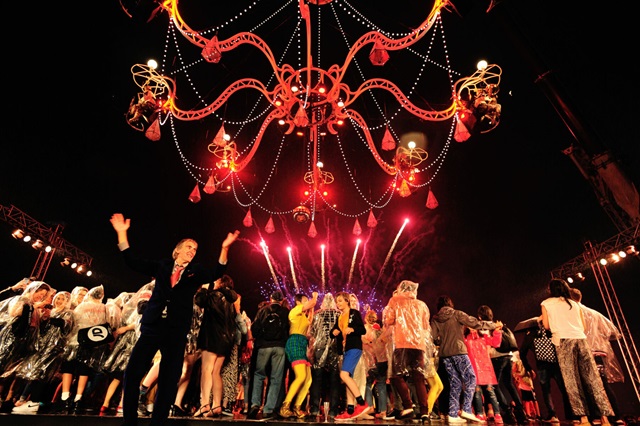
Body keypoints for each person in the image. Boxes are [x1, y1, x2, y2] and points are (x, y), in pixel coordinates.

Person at [109, 212, 240, 426]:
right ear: (177, 250)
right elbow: (133, 261)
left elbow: (217, 271)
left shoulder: (195, 271)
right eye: (189, 247)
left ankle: (158, 422)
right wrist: (122, 234)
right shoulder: (162, 266)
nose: (192, 251)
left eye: (195, 249)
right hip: (152, 326)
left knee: (170, 378)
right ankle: (129, 420)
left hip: (175, 330)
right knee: (132, 372)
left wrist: (225, 248)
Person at [541, 278, 613, 426]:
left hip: (563, 341)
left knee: (571, 380)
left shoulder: (546, 303)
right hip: (581, 340)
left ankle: (584, 419)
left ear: (551, 290)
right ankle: (605, 418)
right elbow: (583, 326)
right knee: (593, 379)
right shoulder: (574, 304)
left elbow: (546, 326)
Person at [431, 295, 500, 424]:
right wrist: (492, 325)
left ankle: (452, 414)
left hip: (445, 355)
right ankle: (467, 409)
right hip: (459, 352)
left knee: (455, 383)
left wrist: (443, 341)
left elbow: (433, 338)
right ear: (450, 304)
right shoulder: (457, 314)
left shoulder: (435, 319)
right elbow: (475, 323)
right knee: (471, 378)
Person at [383, 280, 443, 422]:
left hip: (402, 344)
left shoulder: (395, 301)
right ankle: (424, 412)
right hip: (418, 346)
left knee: (396, 375)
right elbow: (425, 326)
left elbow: (389, 320)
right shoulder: (421, 304)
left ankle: (408, 405)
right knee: (419, 378)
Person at [569, 288, 626, 425]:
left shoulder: (575, 312)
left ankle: (596, 416)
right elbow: (611, 331)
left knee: (588, 386)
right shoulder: (594, 313)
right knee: (603, 385)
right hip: (600, 352)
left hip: (586, 351)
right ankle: (616, 416)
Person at [192, 274, 238, 418]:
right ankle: (217, 405)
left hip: (212, 337)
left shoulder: (213, 295)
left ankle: (205, 403)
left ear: (220, 282)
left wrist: (204, 289)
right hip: (226, 340)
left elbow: (199, 301)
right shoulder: (231, 299)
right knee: (216, 372)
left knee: (206, 370)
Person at [477, 304, 528, 424]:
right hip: (508, 356)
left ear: (479, 317)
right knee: (509, 384)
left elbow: (487, 345)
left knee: (494, 386)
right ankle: (521, 411)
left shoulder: (483, 327)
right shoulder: (497, 325)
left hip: (496, 358)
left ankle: (508, 411)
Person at [247, 290, 290, 420]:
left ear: (271, 299)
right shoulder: (286, 312)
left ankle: (255, 404)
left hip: (263, 347)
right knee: (276, 378)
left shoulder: (263, 311)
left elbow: (254, 329)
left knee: (259, 375)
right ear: (282, 300)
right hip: (280, 347)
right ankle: (268, 409)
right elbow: (289, 329)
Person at [331, 291, 371, 421]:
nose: (338, 304)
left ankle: (361, 403)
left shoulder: (354, 313)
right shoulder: (340, 317)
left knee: (344, 375)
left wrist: (352, 329)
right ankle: (350, 410)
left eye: (340, 301)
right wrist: (334, 332)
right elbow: (333, 332)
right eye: (337, 301)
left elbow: (362, 330)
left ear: (347, 301)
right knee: (348, 378)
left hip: (354, 347)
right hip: (345, 349)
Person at [279, 291, 318, 419]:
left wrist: (311, 309)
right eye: (305, 300)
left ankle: (297, 407)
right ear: (298, 302)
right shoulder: (295, 311)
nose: (307, 302)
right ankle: (285, 406)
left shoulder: (303, 316)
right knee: (301, 376)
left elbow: (309, 320)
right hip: (295, 342)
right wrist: (314, 297)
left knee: (308, 379)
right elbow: (312, 304)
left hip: (301, 343)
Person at [307, 292, 342, 420]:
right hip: (335, 348)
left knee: (317, 378)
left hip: (320, 348)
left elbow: (312, 333)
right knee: (334, 379)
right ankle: (333, 410)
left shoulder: (318, 314)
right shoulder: (339, 314)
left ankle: (315, 408)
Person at [464, 324, 504, 423]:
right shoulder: (466, 339)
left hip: (485, 369)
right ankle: (480, 413)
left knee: (490, 391)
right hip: (473, 369)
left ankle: (497, 413)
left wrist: (497, 332)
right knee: (477, 392)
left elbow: (496, 343)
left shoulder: (484, 337)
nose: (473, 329)